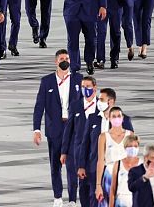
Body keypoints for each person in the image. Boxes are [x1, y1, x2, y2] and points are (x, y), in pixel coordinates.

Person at [33, 49, 83, 207]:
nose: (65, 61)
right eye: (62, 58)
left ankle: (73, 199)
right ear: (56, 62)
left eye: (67, 58)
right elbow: (39, 107)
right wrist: (37, 130)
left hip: (73, 128)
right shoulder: (46, 81)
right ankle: (57, 197)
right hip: (55, 129)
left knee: (72, 165)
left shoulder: (78, 79)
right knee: (55, 165)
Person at [77, 88, 134, 207]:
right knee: (95, 198)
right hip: (94, 167)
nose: (99, 101)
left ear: (111, 101)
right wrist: (81, 165)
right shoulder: (92, 118)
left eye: (102, 99)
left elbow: (131, 146)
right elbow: (85, 143)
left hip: (117, 170)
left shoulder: (125, 120)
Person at [61, 75, 98, 207]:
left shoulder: (101, 106)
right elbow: (68, 130)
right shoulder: (76, 105)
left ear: (95, 88)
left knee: (95, 182)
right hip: (79, 151)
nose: (85, 89)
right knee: (83, 184)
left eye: (88, 87)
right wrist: (64, 151)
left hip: (95, 151)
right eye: (83, 87)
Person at [95, 107, 134, 205]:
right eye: (114, 116)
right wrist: (98, 185)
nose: (116, 118)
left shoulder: (130, 134)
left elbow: (133, 158)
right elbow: (100, 161)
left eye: (119, 116)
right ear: (109, 118)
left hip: (126, 175)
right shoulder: (103, 136)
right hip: (109, 174)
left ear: (123, 118)